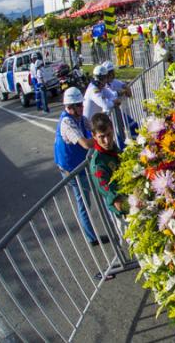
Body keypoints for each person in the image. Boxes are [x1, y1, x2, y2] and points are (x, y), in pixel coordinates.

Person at [54, 87, 106, 246]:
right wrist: (102, 139)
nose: (81, 107)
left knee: (97, 191)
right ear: (69, 107)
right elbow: (85, 143)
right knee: (84, 201)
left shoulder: (80, 118)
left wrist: (102, 130)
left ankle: (100, 231)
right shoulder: (67, 123)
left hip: (80, 164)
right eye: (77, 105)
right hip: (71, 169)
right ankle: (91, 238)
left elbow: (92, 128)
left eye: (81, 104)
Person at [89, 113, 126, 218]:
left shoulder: (112, 148)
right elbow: (117, 202)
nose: (107, 141)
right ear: (94, 136)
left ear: (112, 129)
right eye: (101, 137)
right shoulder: (98, 165)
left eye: (109, 134)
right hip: (125, 212)